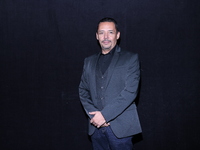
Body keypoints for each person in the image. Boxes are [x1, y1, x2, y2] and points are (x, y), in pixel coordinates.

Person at [79, 17, 142, 150]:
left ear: (117, 35)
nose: (105, 36)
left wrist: (104, 115)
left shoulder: (130, 58)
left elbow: (130, 91)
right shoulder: (88, 61)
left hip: (120, 129)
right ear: (97, 36)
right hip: (95, 128)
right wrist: (95, 116)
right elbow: (83, 90)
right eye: (101, 32)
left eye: (110, 32)